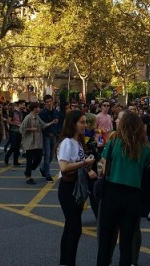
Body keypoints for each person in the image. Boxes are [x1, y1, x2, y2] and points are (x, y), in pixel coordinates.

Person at [96, 111, 150, 266]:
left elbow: (103, 167)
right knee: (126, 243)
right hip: (133, 196)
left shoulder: (114, 142)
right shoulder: (145, 148)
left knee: (106, 241)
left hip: (112, 192)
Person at [57, 110, 97, 266]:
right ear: (73, 124)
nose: (84, 125)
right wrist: (85, 163)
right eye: (81, 122)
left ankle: (65, 262)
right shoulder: (67, 142)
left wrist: (89, 169)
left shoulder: (78, 142)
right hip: (68, 189)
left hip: (77, 187)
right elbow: (64, 167)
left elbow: (80, 162)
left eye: (85, 122)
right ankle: (67, 261)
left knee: (70, 228)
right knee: (74, 229)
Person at [20, 102, 56, 185]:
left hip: (38, 142)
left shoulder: (37, 117)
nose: (39, 109)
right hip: (30, 143)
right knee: (29, 160)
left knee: (38, 158)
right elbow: (22, 129)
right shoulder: (28, 117)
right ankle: (28, 176)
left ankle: (29, 170)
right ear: (34, 108)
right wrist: (31, 129)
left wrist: (51, 122)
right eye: (38, 108)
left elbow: (43, 125)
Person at [39, 95, 61, 182]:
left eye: (50, 101)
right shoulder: (42, 113)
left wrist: (58, 132)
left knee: (52, 155)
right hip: (46, 136)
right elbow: (42, 126)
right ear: (44, 103)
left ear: (52, 101)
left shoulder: (56, 112)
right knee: (47, 155)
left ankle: (43, 168)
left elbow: (59, 124)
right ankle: (47, 174)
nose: (49, 103)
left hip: (54, 135)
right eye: (47, 102)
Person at [5, 101, 25, 167]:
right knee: (13, 146)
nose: (24, 106)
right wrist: (16, 124)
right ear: (19, 105)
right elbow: (8, 121)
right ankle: (7, 157)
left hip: (19, 131)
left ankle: (15, 161)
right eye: (23, 105)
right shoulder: (12, 112)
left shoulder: (21, 113)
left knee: (17, 147)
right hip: (13, 131)